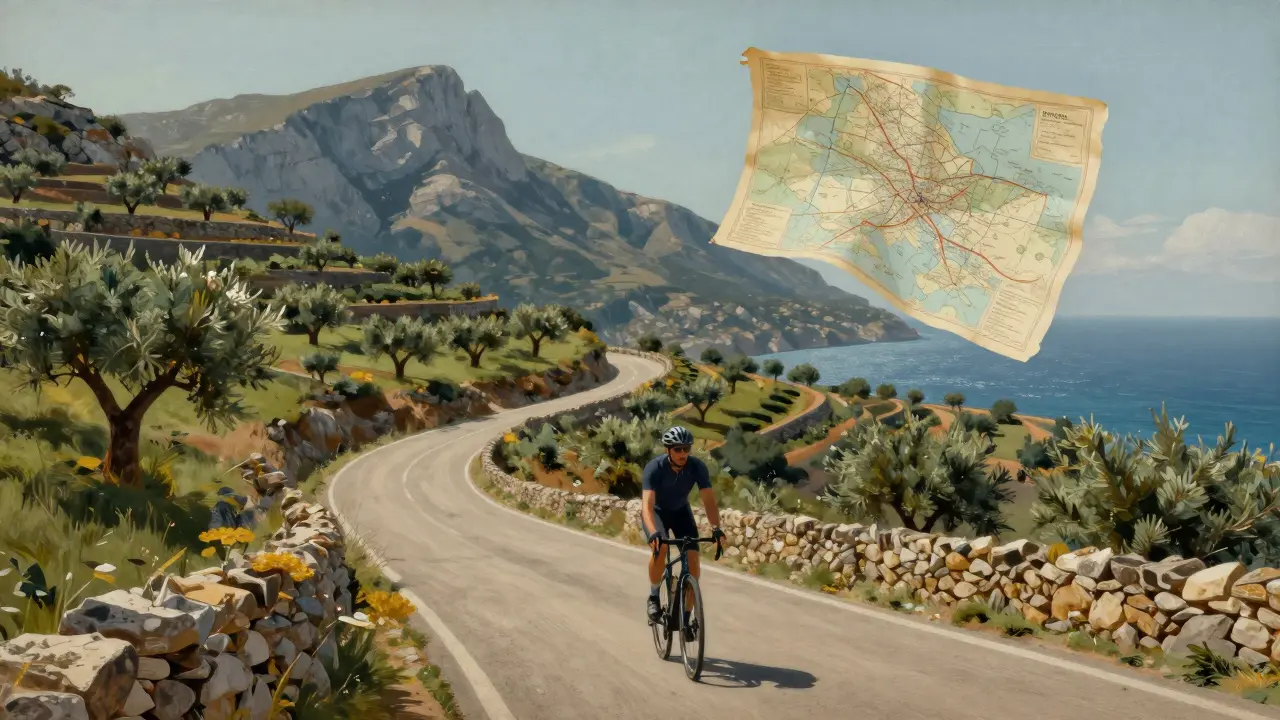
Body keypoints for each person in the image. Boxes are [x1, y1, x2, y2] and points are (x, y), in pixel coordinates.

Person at [642, 425, 724, 639]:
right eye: (678, 449)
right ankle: (653, 597)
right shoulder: (655, 467)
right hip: (657, 513)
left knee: (694, 563)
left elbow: (709, 501)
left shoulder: (697, 467)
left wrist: (716, 528)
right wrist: (653, 533)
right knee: (659, 550)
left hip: (680, 513)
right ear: (668, 450)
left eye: (686, 449)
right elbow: (647, 507)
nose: (683, 454)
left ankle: (686, 620)